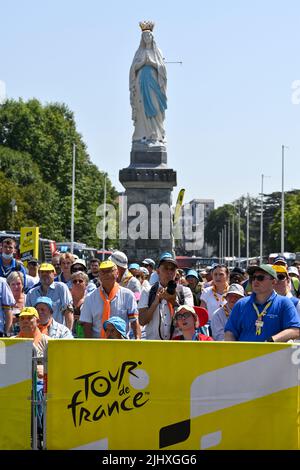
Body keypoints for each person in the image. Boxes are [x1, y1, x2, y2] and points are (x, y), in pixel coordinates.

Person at [224, 264, 300, 342]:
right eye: (253, 278)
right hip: (244, 353)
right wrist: (232, 351)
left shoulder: (284, 303)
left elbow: (295, 330)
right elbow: (230, 332)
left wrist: (272, 340)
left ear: (273, 282)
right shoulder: (241, 304)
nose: (255, 281)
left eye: (260, 278)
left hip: (274, 353)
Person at [79, 260, 141, 339]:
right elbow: (87, 326)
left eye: (109, 271)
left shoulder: (128, 295)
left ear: (117, 273)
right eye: (103, 272)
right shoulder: (90, 297)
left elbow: (134, 322)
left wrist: (138, 341)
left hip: (121, 344)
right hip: (98, 344)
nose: (106, 274)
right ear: (99, 275)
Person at [138, 252, 193, 340]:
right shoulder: (148, 291)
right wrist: (156, 302)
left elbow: (189, 319)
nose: (169, 272)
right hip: (154, 345)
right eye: (165, 268)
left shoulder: (185, 291)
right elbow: (142, 321)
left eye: (172, 269)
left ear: (176, 272)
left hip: (178, 344)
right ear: (158, 271)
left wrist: (173, 302)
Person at [129, 21, 167, 147]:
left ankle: (156, 134)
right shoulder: (139, 52)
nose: (147, 38)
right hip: (142, 83)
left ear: (152, 37)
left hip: (154, 84)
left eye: (149, 36)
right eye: (144, 36)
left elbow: (163, 69)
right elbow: (132, 69)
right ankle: (144, 135)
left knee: (155, 108)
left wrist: (152, 63)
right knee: (143, 109)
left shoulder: (157, 52)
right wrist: (140, 64)